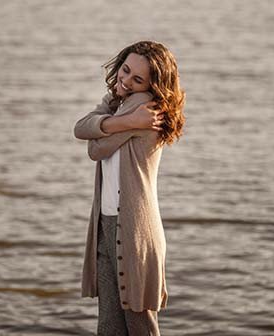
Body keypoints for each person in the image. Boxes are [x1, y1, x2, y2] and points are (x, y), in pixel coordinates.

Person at [74, 40, 185, 336]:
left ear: (153, 84)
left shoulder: (145, 107)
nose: (125, 80)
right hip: (106, 222)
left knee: (138, 326)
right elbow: (81, 127)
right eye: (125, 71)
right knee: (109, 324)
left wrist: (112, 121)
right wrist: (117, 112)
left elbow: (94, 148)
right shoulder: (122, 103)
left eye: (137, 79)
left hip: (135, 230)